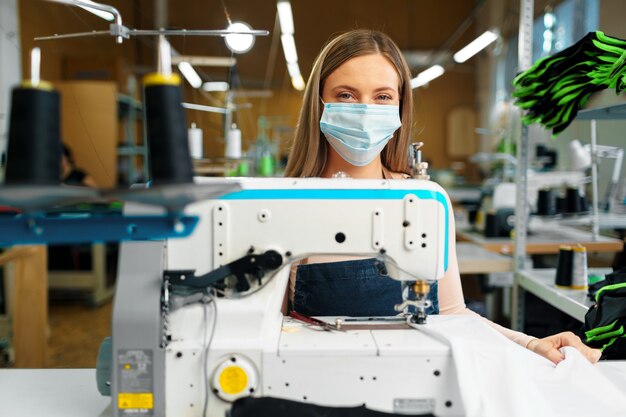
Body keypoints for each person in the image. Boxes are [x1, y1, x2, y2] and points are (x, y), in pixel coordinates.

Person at [284, 29, 601, 365]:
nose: (365, 111)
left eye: (382, 97)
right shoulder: (282, 205)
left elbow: (454, 314)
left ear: (400, 107)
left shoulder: (426, 201)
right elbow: (269, 327)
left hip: (418, 379)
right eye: (346, 95)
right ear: (319, 102)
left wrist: (531, 345)